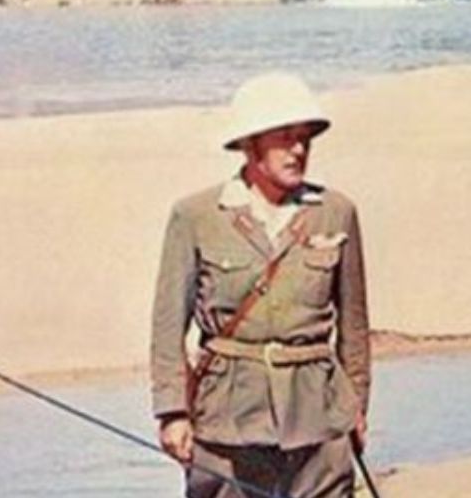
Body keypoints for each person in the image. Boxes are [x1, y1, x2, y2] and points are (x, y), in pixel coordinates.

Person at [150, 72, 372, 498]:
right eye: (284, 137)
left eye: (305, 138)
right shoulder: (197, 216)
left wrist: (356, 407)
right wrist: (173, 412)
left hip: (318, 415)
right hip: (227, 418)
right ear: (250, 144)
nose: (299, 149)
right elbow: (166, 326)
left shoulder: (336, 212)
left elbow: (355, 328)